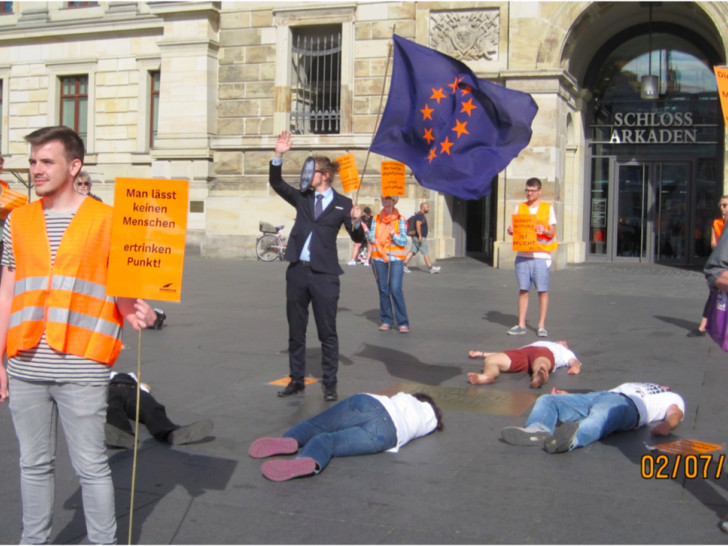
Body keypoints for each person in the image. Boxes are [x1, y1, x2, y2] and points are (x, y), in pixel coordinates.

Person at [0, 126, 157, 544]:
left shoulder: (108, 220)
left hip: (83, 361)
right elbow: (7, 287)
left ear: (74, 166)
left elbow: (120, 289)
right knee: (32, 464)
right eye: (33, 161)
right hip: (25, 360)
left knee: (91, 465)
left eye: (46, 161)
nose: (36, 169)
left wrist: (139, 311)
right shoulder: (17, 219)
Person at [270, 131, 362, 402]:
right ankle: (296, 379)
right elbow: (277, 183)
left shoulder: (344, 204)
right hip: (298, 271)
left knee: (327, 331)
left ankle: (330, 383)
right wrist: (278, 155)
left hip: (325, 275)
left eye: (312, 171)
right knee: (296, 330)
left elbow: (358, 238)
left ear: (325, 175)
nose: (306, 176)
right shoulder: (302, 197)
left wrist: (356, 221)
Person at [248, 391, 443, 481]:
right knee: (330, 441)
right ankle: (309, 458)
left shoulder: (408, 397)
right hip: (388, 433)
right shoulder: (431, 422)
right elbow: (431, 424)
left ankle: (290, 438)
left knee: (317, 424)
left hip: (369, 403)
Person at [500, 382, 685, 454]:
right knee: (549, 399)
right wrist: (569, 394)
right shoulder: (640, 384)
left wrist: (668, 425)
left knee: (600, 418)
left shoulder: (671, 396)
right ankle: (538, 430)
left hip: (628, 407)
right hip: (599, 395)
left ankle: (570, 440)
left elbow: (676, 413)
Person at [105, 372, 214, 449]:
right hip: (110, 388)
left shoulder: (115, 372)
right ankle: (122, 434)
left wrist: (142, 387)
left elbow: (146, 386)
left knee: (152, 408)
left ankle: (172, 432)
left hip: (134, 388)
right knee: (112, 408)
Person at [506, 177, 557, 337]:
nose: (529, 193)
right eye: (527, 190)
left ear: (539, 191)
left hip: (541, 255)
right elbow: (516, 228)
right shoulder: (520, 207)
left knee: (542, 290)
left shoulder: (547, 208)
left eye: (532, 190)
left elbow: (552, 232)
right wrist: (511, 231)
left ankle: (541, 325)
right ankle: (521, 324)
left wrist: (545, 229)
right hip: (522, 254)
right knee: (523, 290)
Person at [365, 195, 410, 333]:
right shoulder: (376, 219)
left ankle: (402, 322)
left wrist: (393, 234)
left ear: (394, 201)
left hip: (395, 258)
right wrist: (367, 232)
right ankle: (386, 320)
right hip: (379, 257)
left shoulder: (400, 219)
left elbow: (403, 241)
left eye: (388, 198)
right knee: (383, 290)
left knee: (395, 289)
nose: (385, 200)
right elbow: (373, 239)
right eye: (383, 198)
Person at [688, 195, 728, 337]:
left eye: (725, 205)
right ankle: (702, 327)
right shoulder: (718, 223)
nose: (723, 208)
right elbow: (713, 244)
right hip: (721, 262)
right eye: (721, 205)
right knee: (713, 295)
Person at [466, 340, 581, 389]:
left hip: (545, 352)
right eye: (562, 341)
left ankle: (539, 377)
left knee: (541, 363)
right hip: (524, 352)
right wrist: (482, 354)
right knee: (492, 360)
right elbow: (503, 354)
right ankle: (487, 376)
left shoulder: (564, 351)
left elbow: (573, 361)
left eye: (565, 343)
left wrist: (575, 366)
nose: (563, 342)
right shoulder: (542, 341)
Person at [403, 201, 440, 274]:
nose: (428, 208)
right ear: (422, 207)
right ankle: (430, 268)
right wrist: (420, 236)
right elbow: (418, 225)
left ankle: (403, 265)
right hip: (420, 237)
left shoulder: (419, 215)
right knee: (425, 252)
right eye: (427, 207)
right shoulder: (420, 215)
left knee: (412, 251)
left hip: (416, 237)